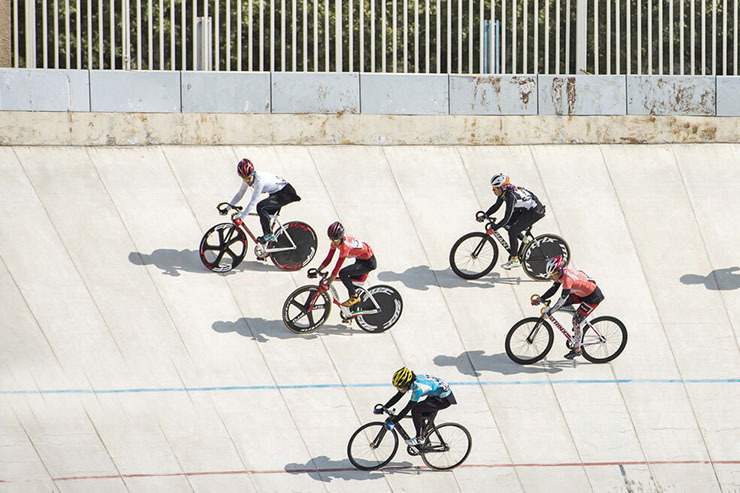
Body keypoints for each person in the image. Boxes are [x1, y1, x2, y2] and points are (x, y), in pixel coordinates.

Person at [532, 255, 605, 359]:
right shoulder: (560, 274)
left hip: (592, 297)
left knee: (576, 320)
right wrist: (541, 298)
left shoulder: (567, 280)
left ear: (558, 271)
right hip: (581, 292)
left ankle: (577, 349)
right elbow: (553, 289)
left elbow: (561, 300)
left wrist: (550, 312)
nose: (551, 278)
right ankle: (580, 322)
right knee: (568, 306)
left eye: (552, 275)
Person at [375, 367, 457, 447]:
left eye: (400, 387)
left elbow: (408, 408)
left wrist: (394, 421)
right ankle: (426, 441)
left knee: (416, 410)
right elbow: (398, 396)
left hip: (443, 400)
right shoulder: (411, 381)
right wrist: (384, 408)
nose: (399, 389)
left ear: (407, 384)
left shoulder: (418, 388)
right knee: (420, 416)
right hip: (436, 394)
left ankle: (419, 438)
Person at [480, 173, 546, 270]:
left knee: (513, 231)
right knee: (508, 225)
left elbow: (506, 217)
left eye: (495, 188)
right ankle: (525, 240)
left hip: (535, 211)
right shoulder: (504, 192)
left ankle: (514, 259)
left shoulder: (511, 197)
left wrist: (494, 228)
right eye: (493, 188)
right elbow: (496, 206)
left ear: (503, 187)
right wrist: (485, 215)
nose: (493, 190)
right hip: (526, 208)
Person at [228, 158, 301, 244]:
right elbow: (240, 193)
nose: (247, 181)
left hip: (285, 193)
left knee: (261, 207)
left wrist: (241, 218)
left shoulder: (259, 181)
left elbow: (253, 202)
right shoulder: (247, 178)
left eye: (248, 177)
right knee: (265, 215)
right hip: (275, 193)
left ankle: (269, 235)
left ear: (252, 173)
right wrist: (228, 207)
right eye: (244, 178)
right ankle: (266, 249)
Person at [311, 221, 376, 307]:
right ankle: (350, 314)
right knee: (351, 285)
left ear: (341, 237)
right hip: (360, 259)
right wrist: (317, 271)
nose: (334, 242)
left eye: (335, 240)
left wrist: (329, 283)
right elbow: (328, 259)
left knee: (343, 273)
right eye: (331, 239)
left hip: (368, 263)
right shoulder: (336, 241)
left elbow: (337, 267)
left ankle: (355, 296)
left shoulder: (345, 247)